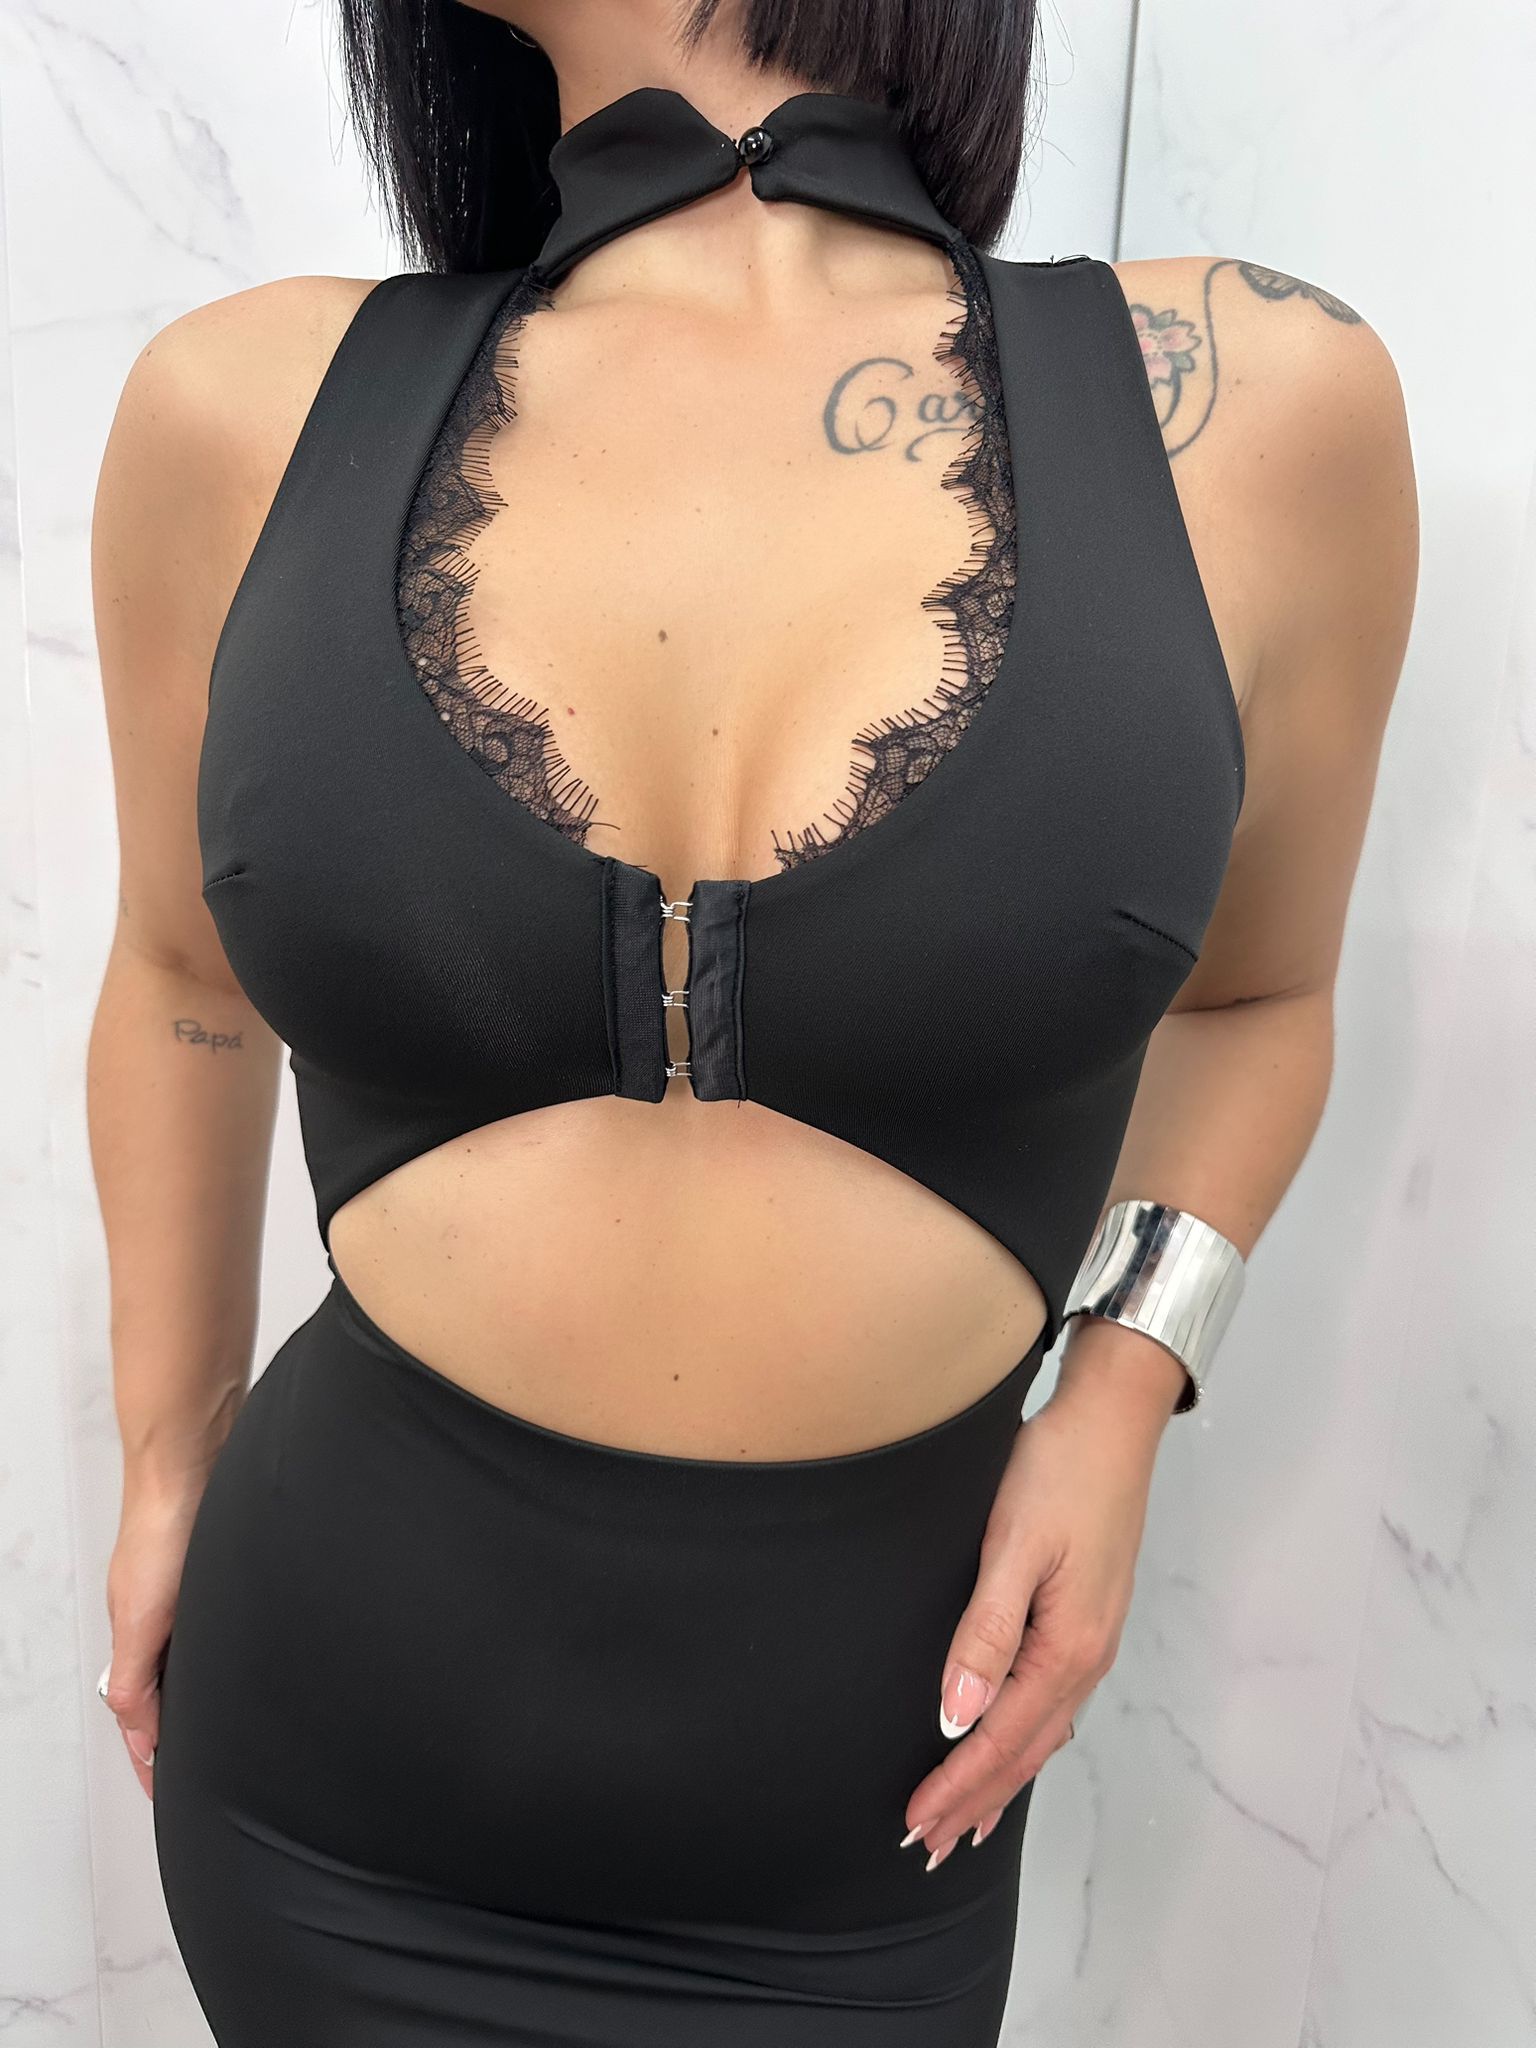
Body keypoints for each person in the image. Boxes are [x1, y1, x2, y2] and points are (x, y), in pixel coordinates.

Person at [86, 0, 1417, 2040]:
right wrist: (163, 1456)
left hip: (859, 1838)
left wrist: (1120, 1389)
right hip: (328, 1793)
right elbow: (181, 976)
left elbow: (1262, 994)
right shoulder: (247, 406)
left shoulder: (1249, 404)